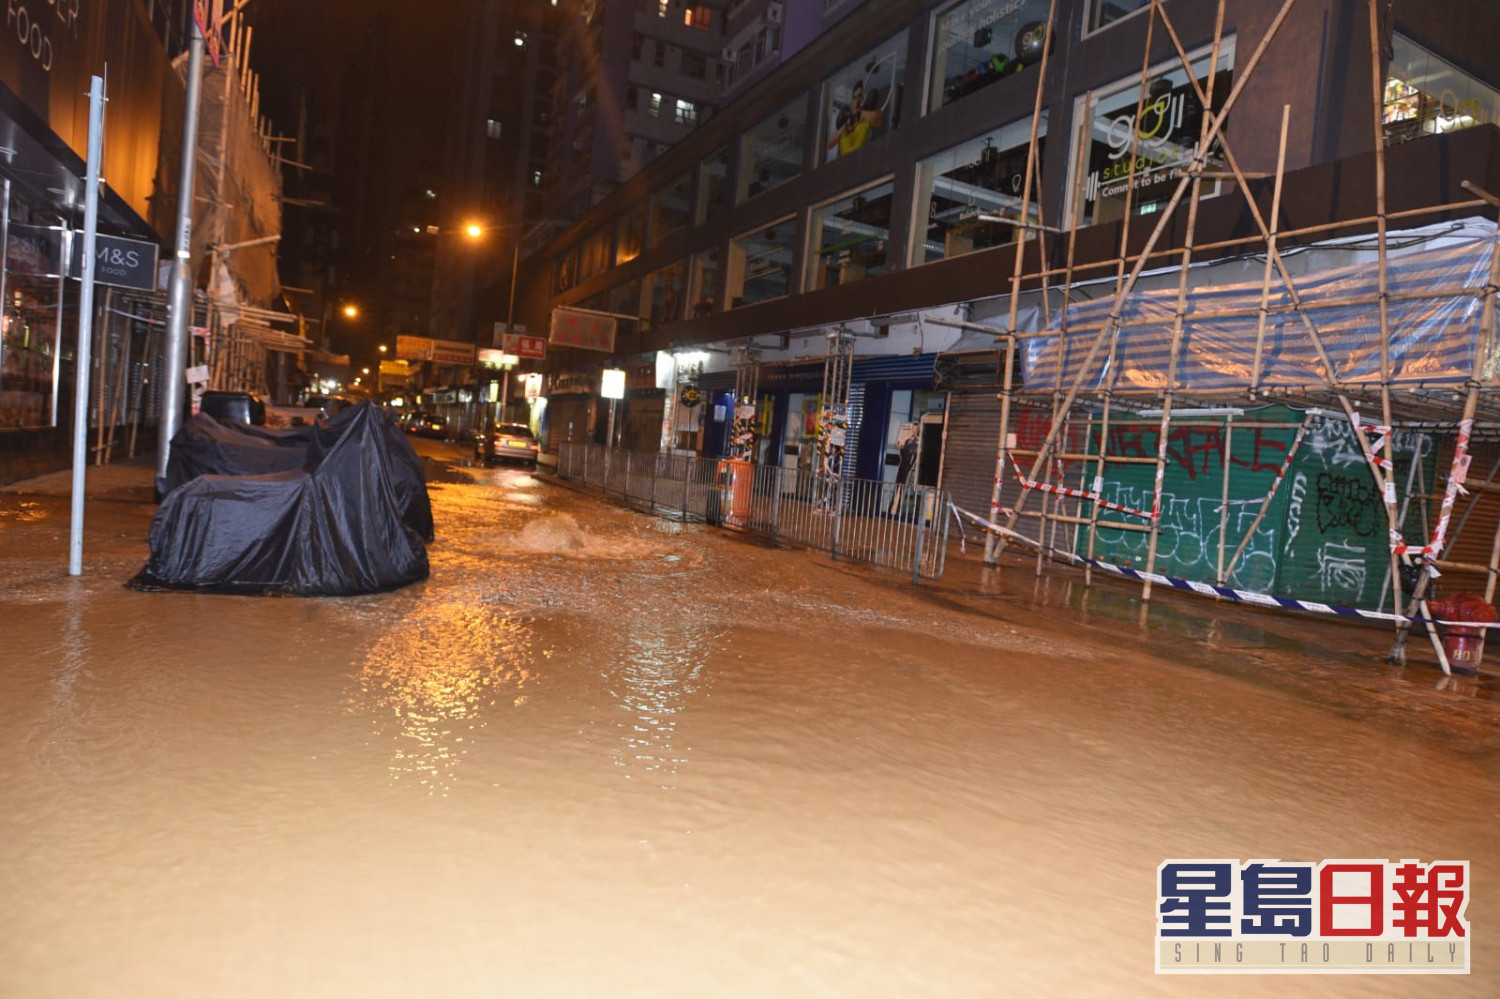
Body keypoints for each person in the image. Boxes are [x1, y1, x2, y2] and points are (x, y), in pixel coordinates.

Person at [827, 81, 884, 158]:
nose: (857, 100)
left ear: (863, 99)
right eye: (855, 97)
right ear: (852, 102)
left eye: (860, 96)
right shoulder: (847, 123)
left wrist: (861, 112)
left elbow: (878, 118)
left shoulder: (866, 118)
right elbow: (830, 144)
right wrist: (845, 125)